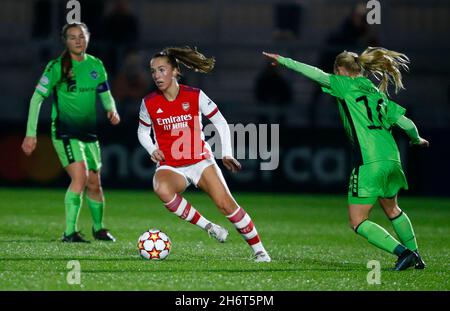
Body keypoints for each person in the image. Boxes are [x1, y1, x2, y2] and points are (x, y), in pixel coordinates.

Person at [263, 47, 428, 270]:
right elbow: (406, 123)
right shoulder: (376, 93)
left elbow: (314, 73)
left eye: (335, 71)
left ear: (341, 70)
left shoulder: (344, 85)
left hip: (369, 160)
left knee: (358, 221)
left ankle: (404, 253)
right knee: (392, 209)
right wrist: (416, 139)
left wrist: (284, 61)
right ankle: (417, 255)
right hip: (392, 158)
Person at [137, 47, 271, 262]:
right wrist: (152, 148)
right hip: (171, 164)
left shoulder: (194, 95)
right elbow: (143, 130)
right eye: (153, 71)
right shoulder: (149, 102)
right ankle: (209, 226)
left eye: (162, 70)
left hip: (200, 160)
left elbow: (220, 121)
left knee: (226, 205)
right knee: (161, 188)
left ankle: (260, 251)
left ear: (175, 71)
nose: (156, 75)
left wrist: (226, 153)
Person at [22, 23, 120, 243]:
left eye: (81, 36)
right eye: (72, 37)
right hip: (65, 132)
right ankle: (69, 232)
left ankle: (99, 228)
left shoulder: (96, 65)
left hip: (88, 132)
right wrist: (31, 134)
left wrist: (111, 109)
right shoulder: (56, 67)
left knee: (95, 183)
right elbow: (37, 98)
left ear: (88, 38)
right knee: (81, 177)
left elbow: (105, 93)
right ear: (65, 41)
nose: (78, 41)